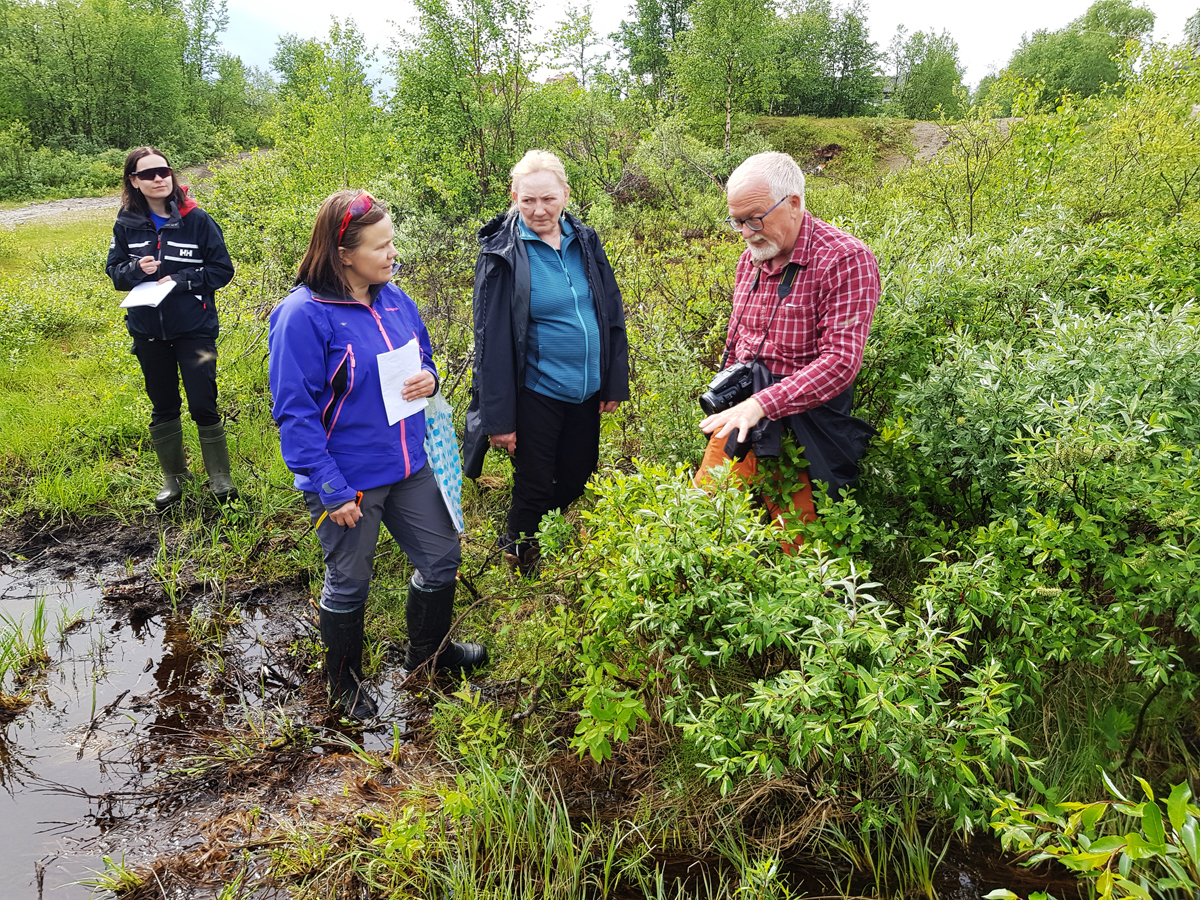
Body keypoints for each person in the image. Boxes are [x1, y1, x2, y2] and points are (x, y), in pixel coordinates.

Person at [268, 190, 485, 721]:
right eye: (380, 246)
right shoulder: (302, 316)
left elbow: (423, 355)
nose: (393, 255)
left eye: (393, 243)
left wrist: (429, 377)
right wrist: (330, 486)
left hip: (411, 465)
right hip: (350, 480)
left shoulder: (395, 298)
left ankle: (428, 658)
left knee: (441, 560)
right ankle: (342, 681)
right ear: (343, 252)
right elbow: (294, 413)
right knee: (349, 580)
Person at [463, 150, 629, 575]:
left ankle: (536, 532)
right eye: (529, 200)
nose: (539, 210)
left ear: (566, 196)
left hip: (586, 389)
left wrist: (613, 382)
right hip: (536, 391)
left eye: (549, 200)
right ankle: (519, 552)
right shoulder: (501, 254)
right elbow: (491, 340)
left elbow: (609, 309)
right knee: (535, 485)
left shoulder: (585, 241)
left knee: (578, 475)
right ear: (514, 196)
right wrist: (498, 419)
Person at [697, 151, 880, 536]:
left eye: (755, 218)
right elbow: (737, 339)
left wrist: (762, 404)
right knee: (699, 527)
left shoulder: (846, 259)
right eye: (737, 221)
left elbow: (840, 362)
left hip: (805, 429)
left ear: (794, 203)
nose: (746, 232)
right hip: (743, 420)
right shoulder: (751, 258)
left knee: (800, 553)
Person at [105, 147, 237, 510]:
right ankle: (174, 480)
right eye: (148, 174)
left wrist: (178, 281)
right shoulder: (126, 223)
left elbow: (221, 270)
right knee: (163, 404)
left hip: (194, 328)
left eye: (163, 171)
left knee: (202, 402)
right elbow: (114, 272)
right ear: (134, 181)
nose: (159, 178)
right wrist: (136, 271)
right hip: (147, 330)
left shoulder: (197, 220)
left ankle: (220, 478)